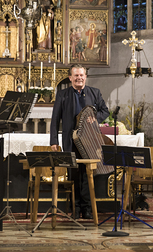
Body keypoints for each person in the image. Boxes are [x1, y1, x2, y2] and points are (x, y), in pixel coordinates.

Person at [50, 64, 109, 219]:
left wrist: (95, 118)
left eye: (82, 75)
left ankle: (87, 209)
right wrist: (54, 140)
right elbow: (55, 119)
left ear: (85, 77)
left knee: (89, 174)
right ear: (70, 78)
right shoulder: (63, 94)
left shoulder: (94, 93)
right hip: (71, 141)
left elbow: (105, 111)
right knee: (74, 174)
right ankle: (75, 208)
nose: (79, 78)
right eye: (76, 76)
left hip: (90, 141)